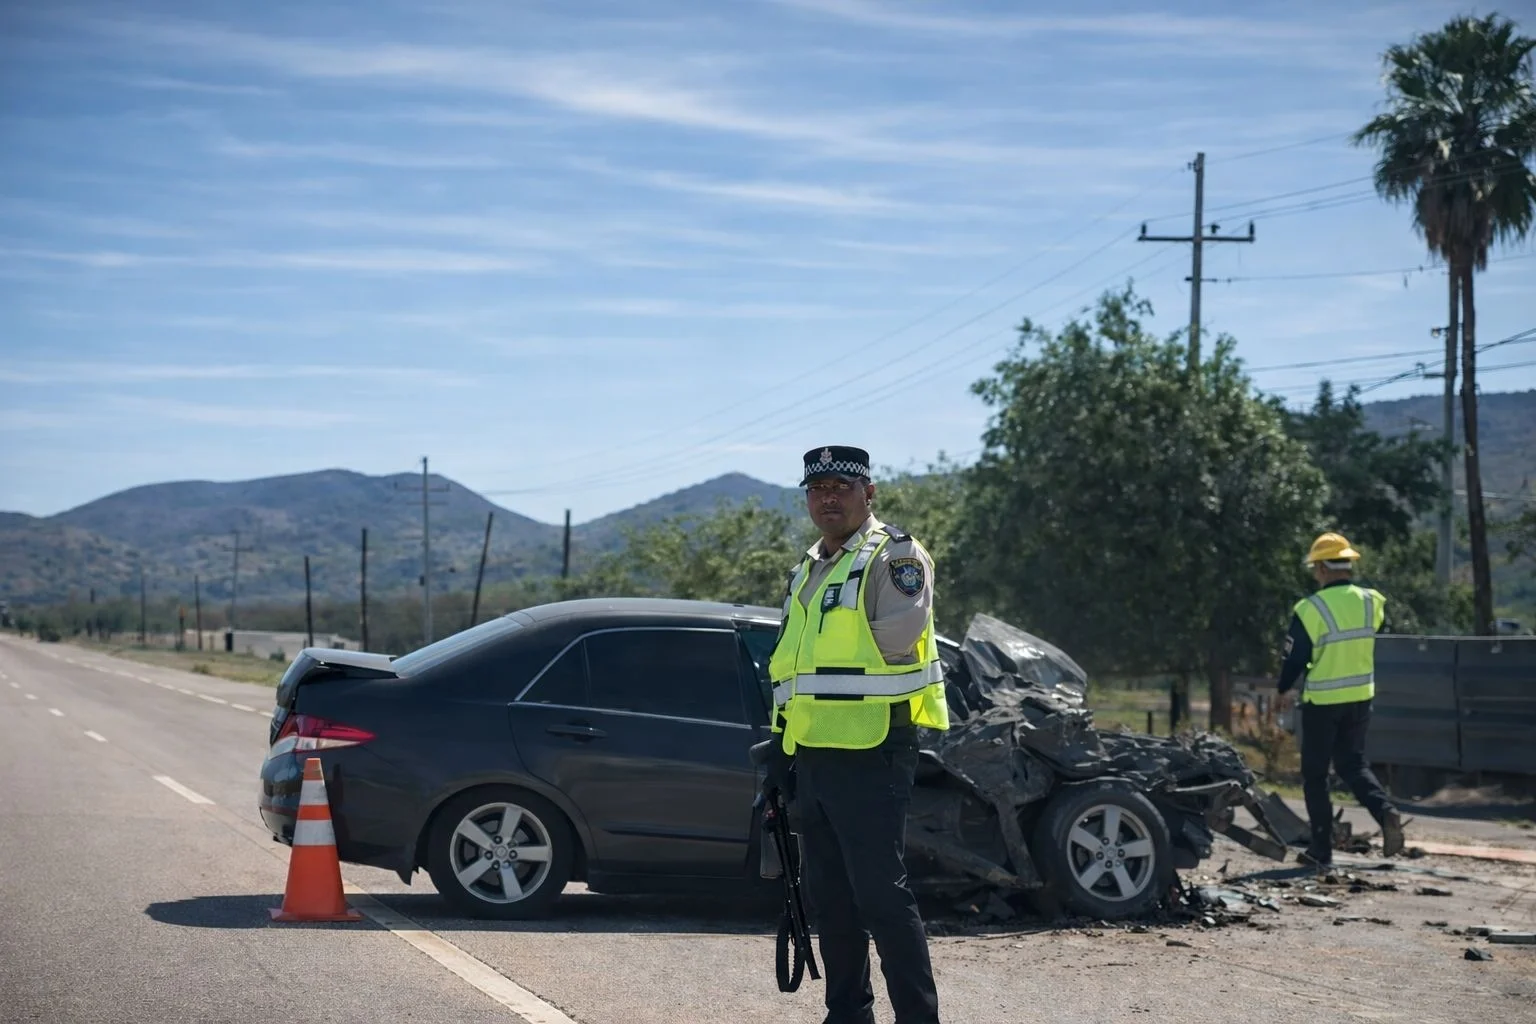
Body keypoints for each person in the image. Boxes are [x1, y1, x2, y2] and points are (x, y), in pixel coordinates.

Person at [764, 445, 949, 1024]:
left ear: (868, 493)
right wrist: (780, 743)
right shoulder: (810, 567)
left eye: (841, 488)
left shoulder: (892, 557)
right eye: (817, 490)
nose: (828, 499)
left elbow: (894, 644)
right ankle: (847, 1014)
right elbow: (791, 668)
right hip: (815, 753)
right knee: (832, 901)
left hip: (872, 749)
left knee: (882, 898)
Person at [1277, 532, 1405, 867]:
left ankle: (1321, 850)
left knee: (1316, 775)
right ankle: (1385, 812)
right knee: (1353, 764)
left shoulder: (1310, 608)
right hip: (1361, 698)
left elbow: (1294, 658)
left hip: (1323, 702)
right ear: (1348, 564)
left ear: (1320, 568)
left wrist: (1283, 688)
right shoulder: (1371, 601)